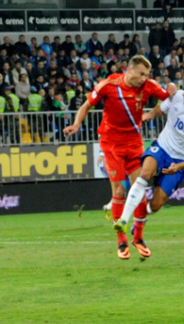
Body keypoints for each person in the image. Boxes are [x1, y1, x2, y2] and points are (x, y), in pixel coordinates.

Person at [63, 55, 176, 260]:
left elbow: (170, 98)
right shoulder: (109, 85)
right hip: (111, 143)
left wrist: (172, 89)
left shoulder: (149, 86)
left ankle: (138, 237)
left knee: (140, 188)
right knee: (119, 190)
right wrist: (77, 124)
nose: (144, 78)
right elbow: (87, 105)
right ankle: (121, 241)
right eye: (141, 73)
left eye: (147, 74)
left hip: (134, 143)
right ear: (129, 70)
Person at [114, 77, 184, 259]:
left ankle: (138, 224)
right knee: (144, 175)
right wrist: (150, 115)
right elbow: (162, 108)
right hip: (161, 148)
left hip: (180, 161)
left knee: (156, 204)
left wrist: (179, 166)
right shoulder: (177, 97)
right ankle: (124, 218)